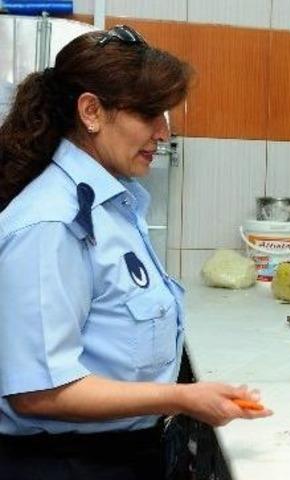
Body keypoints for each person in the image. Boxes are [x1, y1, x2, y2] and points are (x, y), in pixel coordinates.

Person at [0, 25, 271, 479]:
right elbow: (38, 393)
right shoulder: (51, 223)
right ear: (91, 111)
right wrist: (181, 398)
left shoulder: (113, 206)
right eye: (149, 114)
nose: (163, 133)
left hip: (118, 453)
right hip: (64, 465)